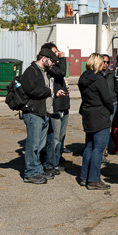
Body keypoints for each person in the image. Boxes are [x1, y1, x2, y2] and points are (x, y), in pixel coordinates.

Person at [21, 48, 65, 184]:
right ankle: (30, 172)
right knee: (32, 145)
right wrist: (47, 91)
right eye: (52, 61)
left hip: (43, 112)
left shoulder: (44, 72)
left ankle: (37, 169)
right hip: (33, 112)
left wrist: (54, 93)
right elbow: (30, 90)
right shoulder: (31, 71)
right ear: (44, 58)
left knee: (39, 145)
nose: (53, 64)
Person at [78, 53, 115, 190]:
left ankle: (84, 176)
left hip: (88, 113)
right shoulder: (99, 79)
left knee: (89, 146)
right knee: (98, 148)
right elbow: (106, 98)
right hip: (100, 114)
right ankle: (93, 179)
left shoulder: (83, 77)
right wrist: (111, 109)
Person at [41, 42, 70, 176]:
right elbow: (62, 72)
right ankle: (50, 162)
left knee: (61, 136)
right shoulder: (50, 67)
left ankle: (56, 158)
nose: (57, 54)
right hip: (55, 106)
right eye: (54, 52)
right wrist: (62, 58)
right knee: (54, 137)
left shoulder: (55, 66)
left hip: (63, 105)